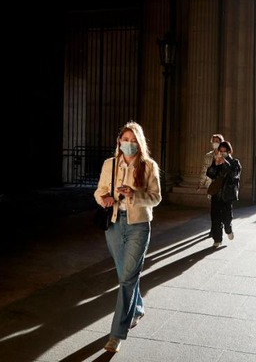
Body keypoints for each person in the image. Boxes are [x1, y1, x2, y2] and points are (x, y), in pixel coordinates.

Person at [94, 121, 161, 353]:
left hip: (138, 226)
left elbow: (156, 198)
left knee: (126, 279)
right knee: (127, 274)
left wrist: (135, 194)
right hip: (113, 225)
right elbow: (98, 190)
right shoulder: (109, 164)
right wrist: (104, 198)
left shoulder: (149, 166)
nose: (129, 144)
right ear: (119, 142)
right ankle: (138, 308)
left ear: (139, 143)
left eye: (133, 141)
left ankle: (116, 335)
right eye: (126, 140)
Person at [206, 141, 241, 247]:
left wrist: (225, 163)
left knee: (226, 217)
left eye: (224, 151)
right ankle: (217, 239)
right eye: (220, 151)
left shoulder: (235, 162)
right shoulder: (216, 161)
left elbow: (234, 175)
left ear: (229, 151)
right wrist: (215, 165)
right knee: (215, 218)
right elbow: (210, 174)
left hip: (227, 195)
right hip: (216, 194)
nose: (222, 153)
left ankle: (228, 229)